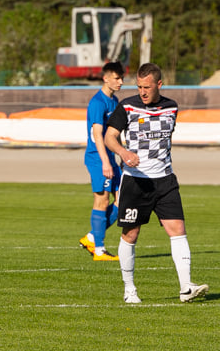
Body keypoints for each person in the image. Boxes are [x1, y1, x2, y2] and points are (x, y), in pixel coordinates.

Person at [104, 63, 208, 304]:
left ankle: (186, 288)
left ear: (159, 85)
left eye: (147, 87)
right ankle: (129, 290)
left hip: (165, 180)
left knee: (178, 230)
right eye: (139, 86)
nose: (142, 91)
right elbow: (110, 136)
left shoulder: (171, 107)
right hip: (136, 181)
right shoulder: (126, 106)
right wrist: (123, 152)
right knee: (131, 234)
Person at [79, 61, 124, 261]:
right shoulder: (97, 102)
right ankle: (99, 249)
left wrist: (122, 154)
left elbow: (114, 134)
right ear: (106, 78)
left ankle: (91, 236)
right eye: (117, 78)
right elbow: (98, 135)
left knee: (123, 199)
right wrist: (106, 161)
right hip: (98, 158)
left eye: (121, 78)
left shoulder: (114, 102)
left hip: (111, 158)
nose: (121, 82)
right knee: (102, 199)